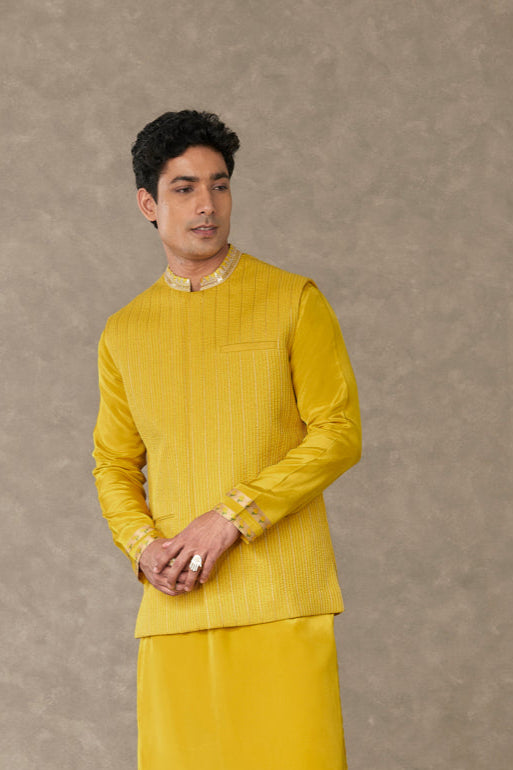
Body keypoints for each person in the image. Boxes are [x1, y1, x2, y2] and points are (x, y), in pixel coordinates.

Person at [91, 109, 362, 770]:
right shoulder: (124, 332)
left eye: (219, 185)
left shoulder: (292, 299)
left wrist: (230, 519)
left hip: (281, 599)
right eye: (184, 188)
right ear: (148, 204)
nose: (206, 204)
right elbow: (113, 463)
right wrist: (144, 547)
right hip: (175, 608)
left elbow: (338, 433)